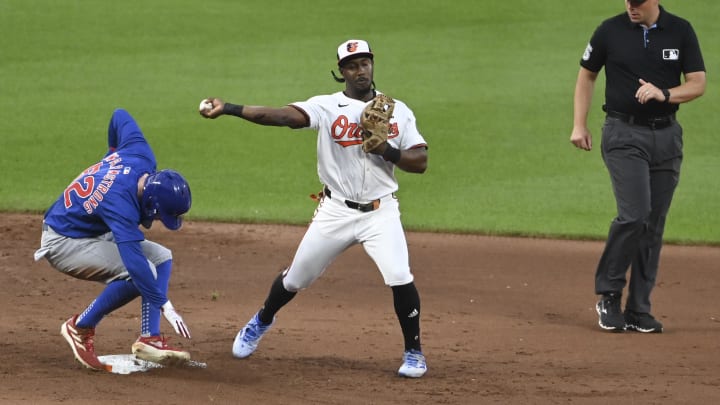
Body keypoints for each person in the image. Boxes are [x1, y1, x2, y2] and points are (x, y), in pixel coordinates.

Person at [199, 39, 429, 377]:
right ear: (342, 72)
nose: (359, 70)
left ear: (372, 65)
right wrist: (231, 108)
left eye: (364, 63)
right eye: (351, 65)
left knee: (399, 276)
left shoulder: (397, 110)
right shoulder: (327, 106)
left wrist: (387, 151)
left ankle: (414, 353)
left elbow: (420, 161)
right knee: (295, 279)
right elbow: (279, 116)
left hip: (381, 213)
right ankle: (260, 321)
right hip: (335, 211)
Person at [570, 0, 706, 333]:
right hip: (623, 133)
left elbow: (697, 83)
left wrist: (665, 93)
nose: (631, 7)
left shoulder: (680, 30)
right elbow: (587, 75)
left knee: (653, 223)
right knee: (635, 214)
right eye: (628, 1)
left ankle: (639, 308)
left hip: (667, 137)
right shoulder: (610, 30)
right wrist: (579, 124)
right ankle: (609, 293)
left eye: (638, 2)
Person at [34, 108, 194, 370]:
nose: (155, 220)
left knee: (162, 258)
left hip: (87, 229)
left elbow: (119, 116)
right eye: (158, 215)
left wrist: (111, 153)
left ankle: (149, 338)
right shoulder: (121, 203)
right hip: (64, 241)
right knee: (139, 272)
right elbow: (135, 264)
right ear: (152, 202)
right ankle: (80, 326)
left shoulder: (141, 154)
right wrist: (164, 304)